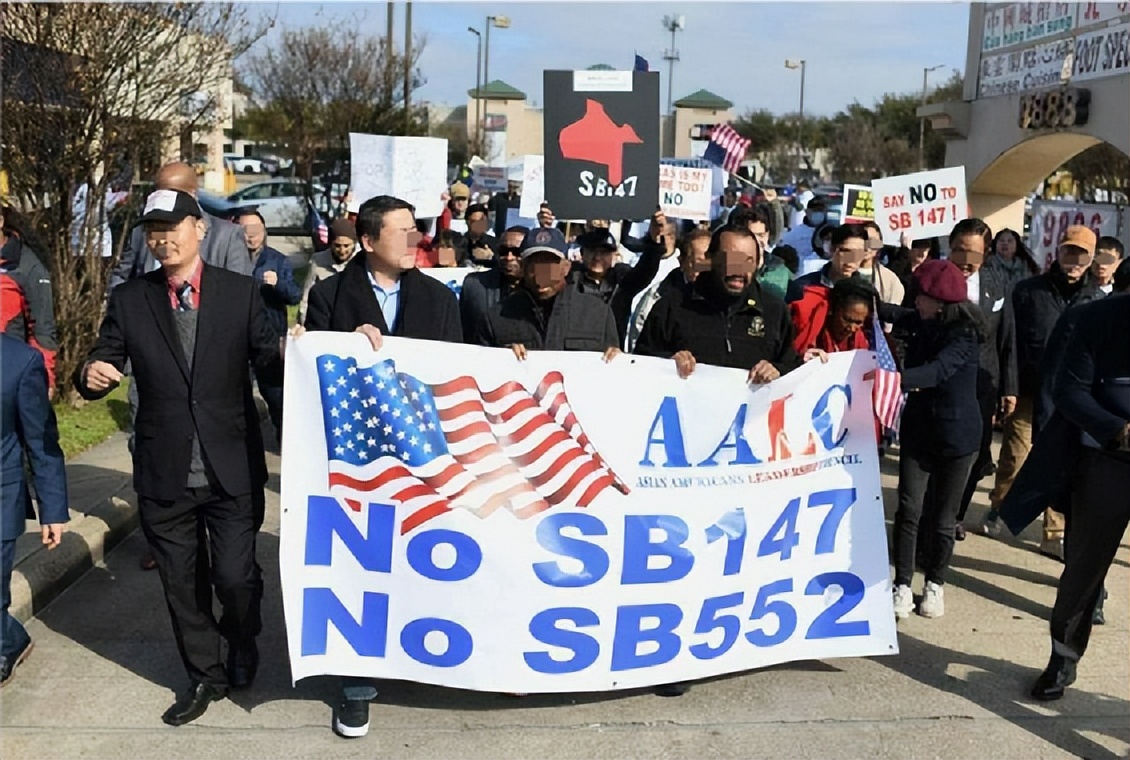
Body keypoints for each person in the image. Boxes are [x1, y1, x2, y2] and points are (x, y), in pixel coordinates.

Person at [74, 188, 282, 725]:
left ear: (201, 229)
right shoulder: (131, 298)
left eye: (172, 226)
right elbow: (105, 356)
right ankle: (204, 675)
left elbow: (272, 366)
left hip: (230, 464)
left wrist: (297, 356)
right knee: (181, 584)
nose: (162, 239)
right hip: (164, 467)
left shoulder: (240, 293)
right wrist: (91, 374)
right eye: (153, 230)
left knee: (235, 578)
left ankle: (241, 640)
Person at [303, 194, 462, 739]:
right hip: (358, 458)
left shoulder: (440, 298)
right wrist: (340, 348)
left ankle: (427, 659)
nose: (415, 240)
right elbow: (307, 377)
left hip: (421, 454)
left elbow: (455, 373)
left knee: (424, 559)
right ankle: (356, 687)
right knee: (360, 568)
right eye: (402, 232)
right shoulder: (328, 296)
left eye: (416, 231)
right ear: (369, 241)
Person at [1021, 290, 1130, 701]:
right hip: (1108, 458)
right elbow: (1070, 391)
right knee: (1084, 568)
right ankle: (1062, 658)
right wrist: (1117, 430)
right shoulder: (1094, 319)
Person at [981, 226, 1102, 557]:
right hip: (1028, 389)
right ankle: (1000, 509)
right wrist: (1009, 386)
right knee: (1016, 456)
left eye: (1081, 255)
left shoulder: (1098, 300)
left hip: (1072, 398)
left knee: (1060, 464)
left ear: (1091, 259)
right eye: (1069, 252)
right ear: (1058, 253)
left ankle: (1054, 531)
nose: (1074, 261)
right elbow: (1010, 340)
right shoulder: (1027, 291)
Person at [884, 259, 984, 621]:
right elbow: (891, 310)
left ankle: (935, 584)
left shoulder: (965, 335)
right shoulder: (922, 320)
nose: (916, 303)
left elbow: (937, 372)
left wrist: (893, 380)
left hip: (958, 438)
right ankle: (901, 584)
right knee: (908, 510)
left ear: (940, 302)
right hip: (919, 432)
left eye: (921, 297)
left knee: (943, 519)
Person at [635, 222, 801, 385]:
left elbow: (792, 370)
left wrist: (777, 370)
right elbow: (640, 366)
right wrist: (667, 363)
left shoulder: (774, 312)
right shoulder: (672, 307)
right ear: (710, 259)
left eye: (748, 261)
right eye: (730, 260)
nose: (738, 270)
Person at [943, 219, 1017, 540]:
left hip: (982, 383)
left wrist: (1009, 389)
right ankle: (934, 514)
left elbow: (1007, 338)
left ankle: (956, 515)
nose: (965, 259)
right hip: (940, 382)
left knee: (975, 452)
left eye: (973, 252)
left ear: (986, 253)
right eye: (959, 250)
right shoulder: (933, 278)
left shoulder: (996, 284)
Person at [1, 335, 68, 686]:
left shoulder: (19, 362)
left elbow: (40, 440)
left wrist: (52, 509)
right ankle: (11, 636)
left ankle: (3, 645)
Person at [475, 227, 619, 357]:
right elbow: (482, 374)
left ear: (566, 267)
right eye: (534, 265)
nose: (542, 274)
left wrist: (618, 360)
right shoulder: (496, 317)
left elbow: (611, 377)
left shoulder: (598, 313)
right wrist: (500, 358)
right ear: (523, 268)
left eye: (550, 265)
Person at [111, 162, 252, 286]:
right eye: (159, 193)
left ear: (192, 194)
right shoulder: (140, 232)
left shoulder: (227, 236)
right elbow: (121, 276)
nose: (163, 201)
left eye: (171, 195)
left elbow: (240, 291)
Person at [236, 209, 301, 443]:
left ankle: (286, 440)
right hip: (238, 338)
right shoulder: (230, 259)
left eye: (256, 231)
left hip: (270, 338)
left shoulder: (277, 260)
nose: (251, 237)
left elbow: (294, 296)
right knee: (237, 393)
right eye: (245, 231)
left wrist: (278, 284)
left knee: (276, 394)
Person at [568, 211, 665, 345]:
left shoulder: (622, 280)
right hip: (574, 353)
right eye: (592, 251)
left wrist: (655, 241)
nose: (597, 257)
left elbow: (645, 271)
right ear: (582, 253)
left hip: (611, 355)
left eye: (603, 252)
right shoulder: (569, 279)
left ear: (613, 255)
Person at [0, 207, 58, 391]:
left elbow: (42, 328)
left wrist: (44, 377)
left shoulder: (27, 266)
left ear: (1, 222)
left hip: (7, 373)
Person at [627, 227, 712, 352]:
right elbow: (640, 348)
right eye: (699, 262)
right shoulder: (657, 298)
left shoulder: (728, 298)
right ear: (682, 261)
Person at [460, 225, 527, 342]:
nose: (509, 257)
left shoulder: (542, 290)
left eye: (517, 252)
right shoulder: (474, 286)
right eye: (503, 251)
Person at [790, 276, 877, 357]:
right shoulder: (804, 321)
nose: (852, 328)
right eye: (847, 319)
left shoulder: (858, 341)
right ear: (832, 310)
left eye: (858, 323)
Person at [299, 218, 358, 324]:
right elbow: (307, 293)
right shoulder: (318, 260)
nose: (342, 251)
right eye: (337, 246)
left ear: (354, 243)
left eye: (346, 246)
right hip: (325, 316)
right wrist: (303, 322)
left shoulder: (360, 261)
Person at [729, 205, 793, 301]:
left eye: (761, 235)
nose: (758, 241)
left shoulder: (779, 269)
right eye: (752, 235)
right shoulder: (728, 268)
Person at [790, 224, 869, 298]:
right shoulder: (802, 287)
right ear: (832, 249)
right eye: (846, 251)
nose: (851, 259)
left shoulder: (867, 292)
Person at [860, 222, 907, 307]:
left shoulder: (890, 280)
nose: (867, 246)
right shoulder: (841, 271)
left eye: (872, 241)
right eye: (864, 240)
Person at [779, 196, 828, 268]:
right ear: (807, 212)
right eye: (815, 210)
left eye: (821, 210)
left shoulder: (831, 233)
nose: (818, 213)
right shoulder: (795, 233)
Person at [459, 204, 498, 268]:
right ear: (467, 222)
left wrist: (492, 257)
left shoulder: (496, 243)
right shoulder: (458, 242)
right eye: (474, 222)